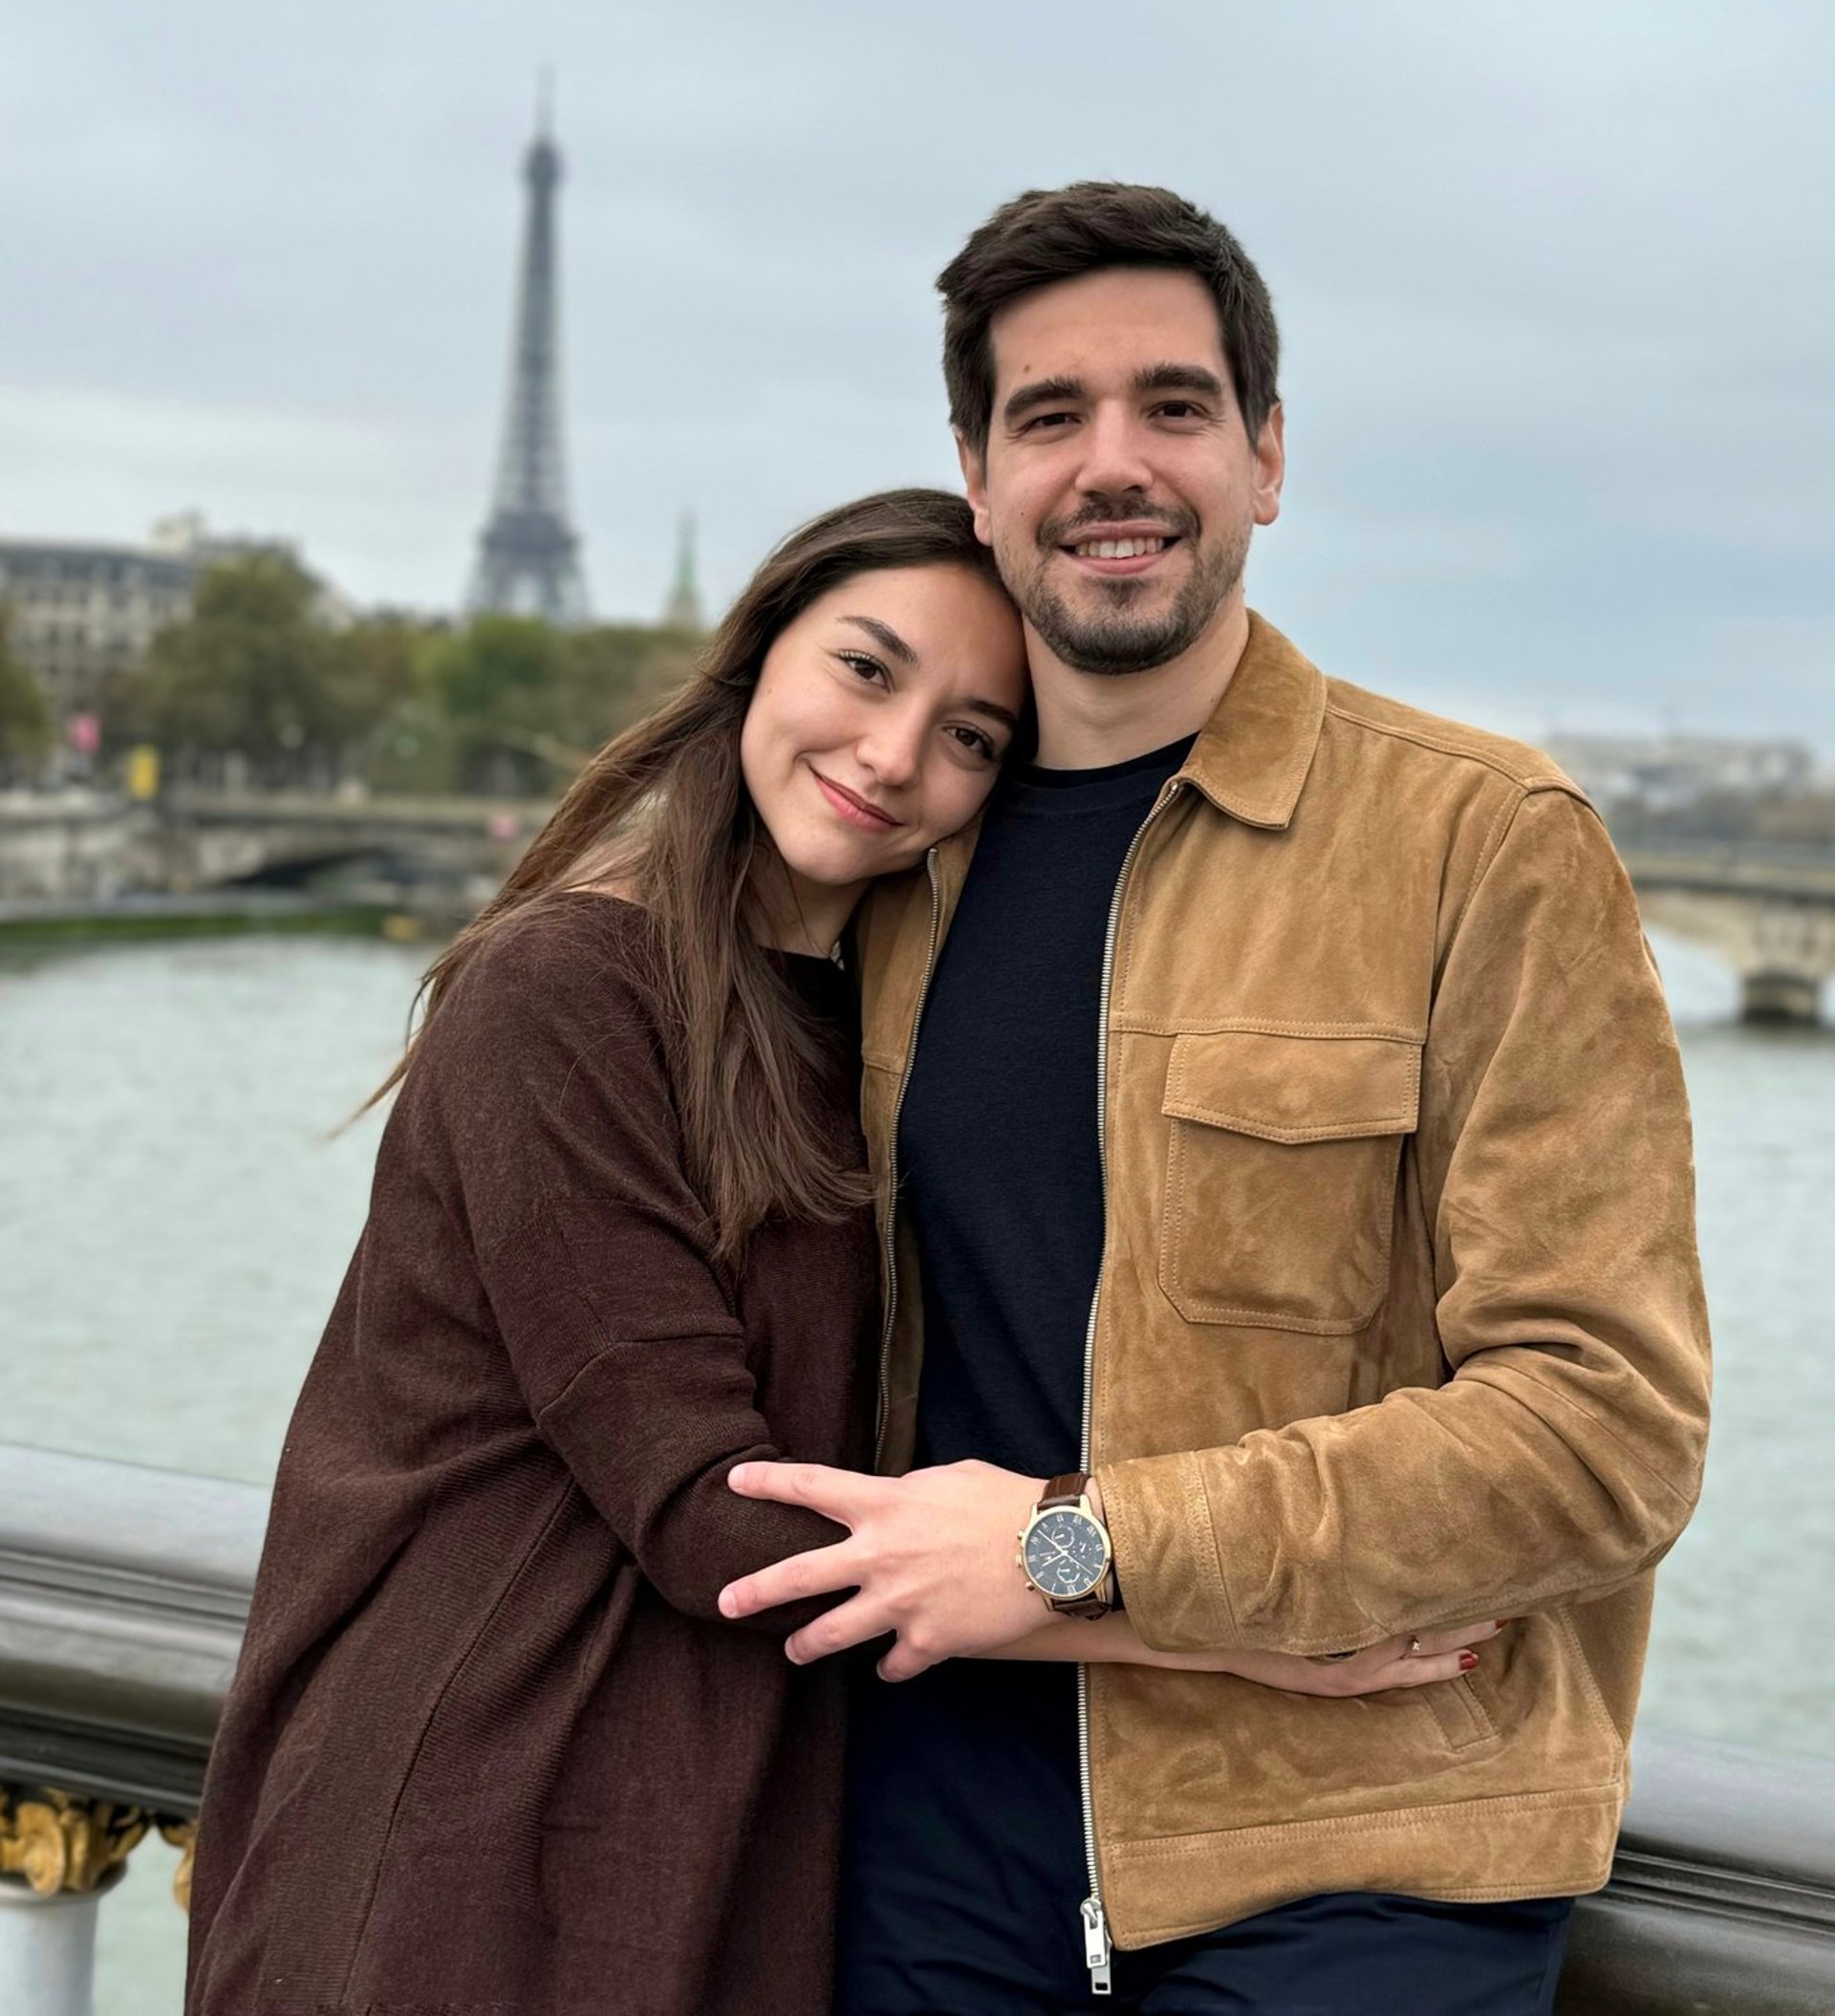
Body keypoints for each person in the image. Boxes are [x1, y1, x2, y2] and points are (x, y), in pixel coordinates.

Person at [718, 184, 1714, 2016]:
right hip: (924, 1833)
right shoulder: (893, 860)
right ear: (975, 470)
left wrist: (1089, 1559)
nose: (1117, 463)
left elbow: (1605, 1427)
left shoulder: (1479, 845)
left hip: (1352, 1854)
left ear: (1266, 457)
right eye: (1049, 416)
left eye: (1174, 406)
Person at [186, 488, 1028, 2016]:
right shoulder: (566, 992)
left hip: (686, 1822)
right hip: (477, 1838)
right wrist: (1172, 1599)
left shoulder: (870, 1039)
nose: (897, 753)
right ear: (758, 654)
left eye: (972, 733)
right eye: (868, 667)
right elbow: (716, 1511)